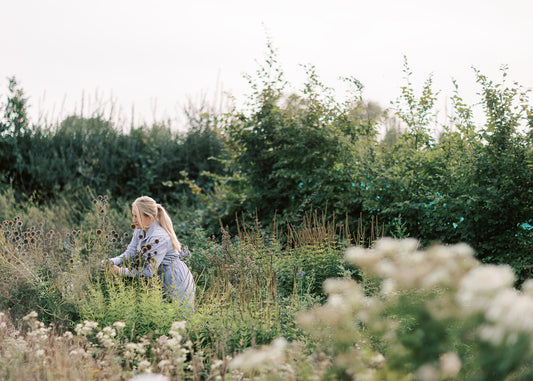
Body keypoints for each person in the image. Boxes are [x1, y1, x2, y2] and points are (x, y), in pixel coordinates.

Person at [102, 196, 195, 313]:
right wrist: (112, 261)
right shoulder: (140, 230)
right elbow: (130, 252)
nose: (133, 219)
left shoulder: (159, 237)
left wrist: (119, 271)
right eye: (133, 215)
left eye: (136, 216)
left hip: (175, 278)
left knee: (180, 319)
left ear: (148, 217)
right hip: (159, 277)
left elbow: (148, 271)